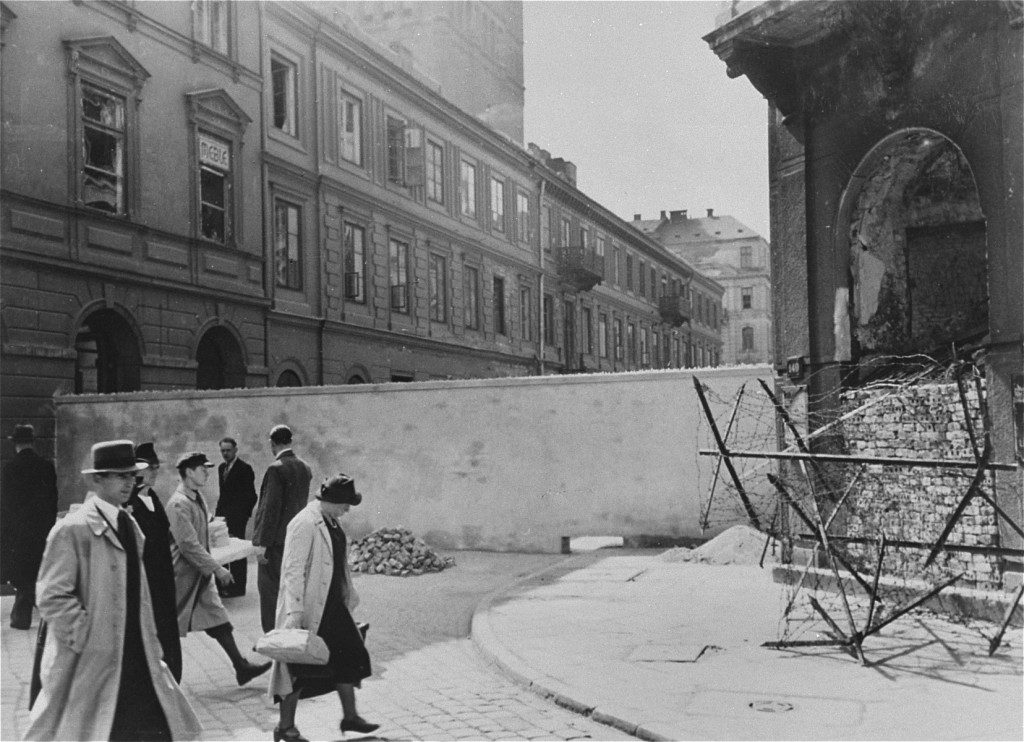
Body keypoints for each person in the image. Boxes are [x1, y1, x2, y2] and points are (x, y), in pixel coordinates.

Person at [26, 440, 201, 741]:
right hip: (92, 663)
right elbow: (51, 596)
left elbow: (138, 593)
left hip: (137, 657)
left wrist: (151, 640)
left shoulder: (129, 524)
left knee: (158, 729)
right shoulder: (73, 529)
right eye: (120, 476)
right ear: (97, 479)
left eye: (132, 476)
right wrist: (87, 636)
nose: (129, 482)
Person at [267, 474, 378, 742]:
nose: (348, 509)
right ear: (332, 501)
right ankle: (285, 728)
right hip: (308, 609)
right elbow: (292, 570)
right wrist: (294, 613)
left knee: (350, 655)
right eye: (345, 504)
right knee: (297, 667)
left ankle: (350, 716)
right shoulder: (304, 523)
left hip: (332, 607)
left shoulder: (332, 522)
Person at [166, 451, 270, 686]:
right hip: (181, 576)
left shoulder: (197, 498)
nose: (207, 473)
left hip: (199, 574)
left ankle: (241, 666)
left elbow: (203, 530)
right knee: (167, 628)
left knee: (218, 618)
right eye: (203, 469)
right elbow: (188, 545)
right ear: (189, 472)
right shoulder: (178, 503)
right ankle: (163, 678)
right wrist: (217, 569)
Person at [129, 442, 183, 682]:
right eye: (148, 467)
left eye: (155, 466)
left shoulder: (152, 497)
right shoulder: (130, 503)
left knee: (167, 628)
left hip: (162, 577)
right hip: (145, 579)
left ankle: (172, 677)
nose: (153, 471)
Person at [252, 425, 312, 632]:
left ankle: (272, 635)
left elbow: (269, 509)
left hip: (275, 542)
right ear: (290, 441)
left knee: (269, 592)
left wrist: (261, 544)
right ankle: (289, 631)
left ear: (272, 443)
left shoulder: (275, 468)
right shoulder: (305, 467)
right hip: (296, 538)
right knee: (290, 589)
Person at [0, 424, 58, 630]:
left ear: (15, 444)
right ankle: (36, 609)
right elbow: (53, 501)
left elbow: (5, 506)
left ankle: (22, 614)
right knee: (37, 570)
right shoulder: (46, 466)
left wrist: (7, 534)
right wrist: (49, 527)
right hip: (42, 529)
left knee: (23, 572)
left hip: (19, 532)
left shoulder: (10, 469)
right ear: (32, 443)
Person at [215, 437, 258, 598]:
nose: (225, 453)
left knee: (237, 553)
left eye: (228, 450)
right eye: (223, 451)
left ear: (235, 450)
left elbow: (251, 496)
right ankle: (224, 585)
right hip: (223, 518)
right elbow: (223, 495)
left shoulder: (245, 469)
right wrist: (218, 516)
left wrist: (242, 516)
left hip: (237, 518)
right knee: (222, 551)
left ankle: (239, 587)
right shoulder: (221, 468)